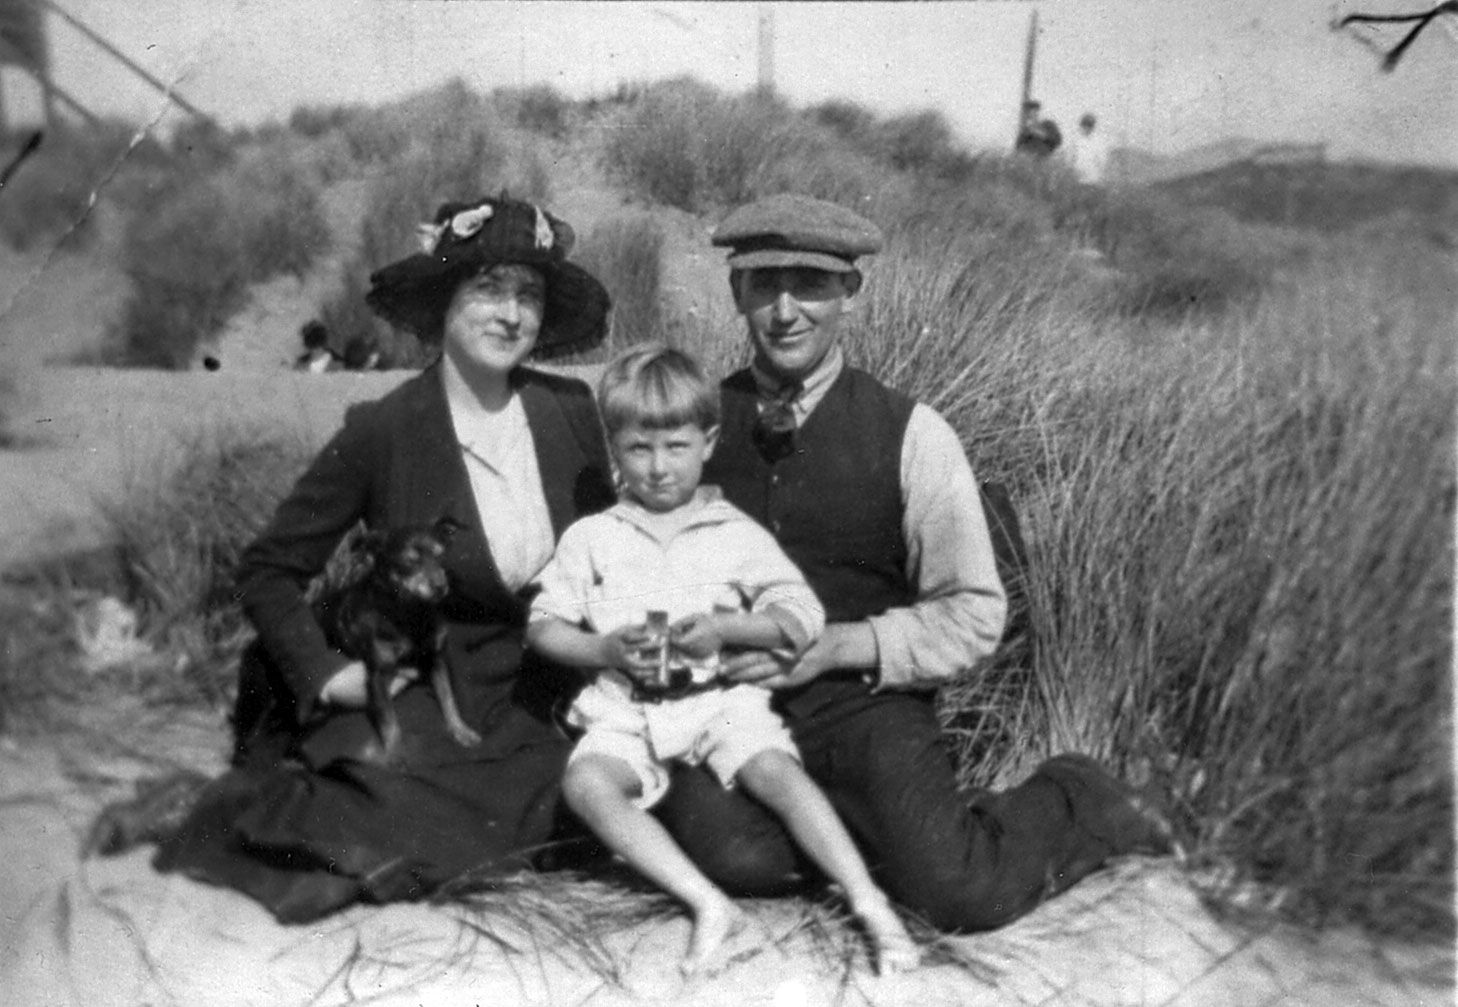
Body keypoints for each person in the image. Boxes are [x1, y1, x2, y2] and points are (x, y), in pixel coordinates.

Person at [653, 192, 1175, 934]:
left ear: (850, 293)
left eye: (812, 285)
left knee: (960, 892)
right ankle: (867, 831)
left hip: (865, 705)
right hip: (734, 706)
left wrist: (838, 645)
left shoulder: (914, 435)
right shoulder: (690, 422)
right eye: (765, 284)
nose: (786, 309)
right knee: (735, 856)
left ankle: (1078, 795)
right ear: (736, 291)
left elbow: (972, 613)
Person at [149, 195, 618, 923]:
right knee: (392, 804)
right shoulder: (385, 428)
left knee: (592, 793)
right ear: (441, 303)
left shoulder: (569, 410)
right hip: (433, 692)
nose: (511, 314)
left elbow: (606, 551)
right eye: (488, 289)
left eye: (528, 294)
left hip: (541, 695)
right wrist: (328, 675)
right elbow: (269, 569)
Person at [526, 346, 920, 974]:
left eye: (676, 447)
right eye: (638, 449)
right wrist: (602, 649)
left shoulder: (733, 532)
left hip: (718, 702)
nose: (657, 469)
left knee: (776, 770)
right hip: (627, 709)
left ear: (708, 442)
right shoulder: (594, 536)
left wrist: (728, 628)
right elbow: (544, 624)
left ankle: (869, 901)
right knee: (587, 784)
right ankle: (707, 902)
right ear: (614, 450)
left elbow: (801, 613)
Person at [1066, 112, 1111, 185]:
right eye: (1084, 125)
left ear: (1092, 127)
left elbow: (1102, 160)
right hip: (1077, 179)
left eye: (1089, 126)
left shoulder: (1098, 142)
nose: (1086, 128)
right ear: (1081, 126)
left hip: (1093, 178)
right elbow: (1070, 157)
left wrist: (1100, 175)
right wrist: (1072, 170)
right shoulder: (1075, 140)